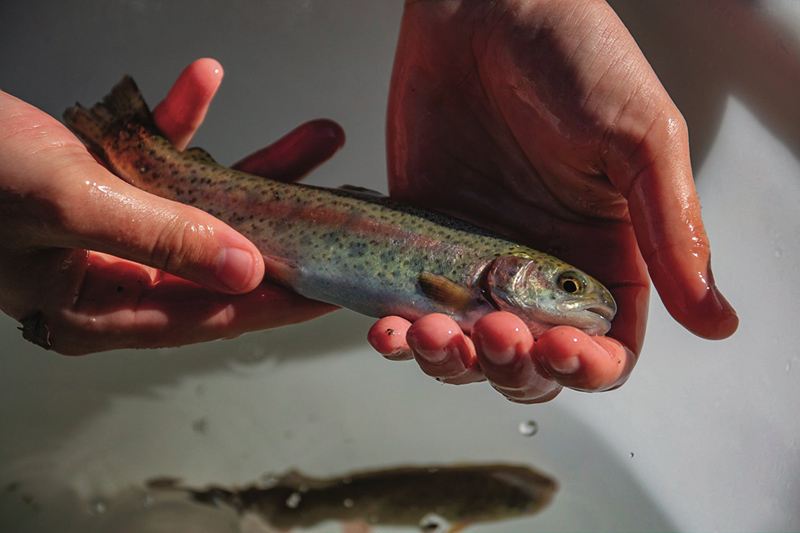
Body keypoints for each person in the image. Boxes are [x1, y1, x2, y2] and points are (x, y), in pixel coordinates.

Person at [0, 0, 736, 403]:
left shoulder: (482, 297)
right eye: (567, 287)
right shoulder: (471, 287)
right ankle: (132, 147)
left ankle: (129, 147)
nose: (581, 301)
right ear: (513, 271)